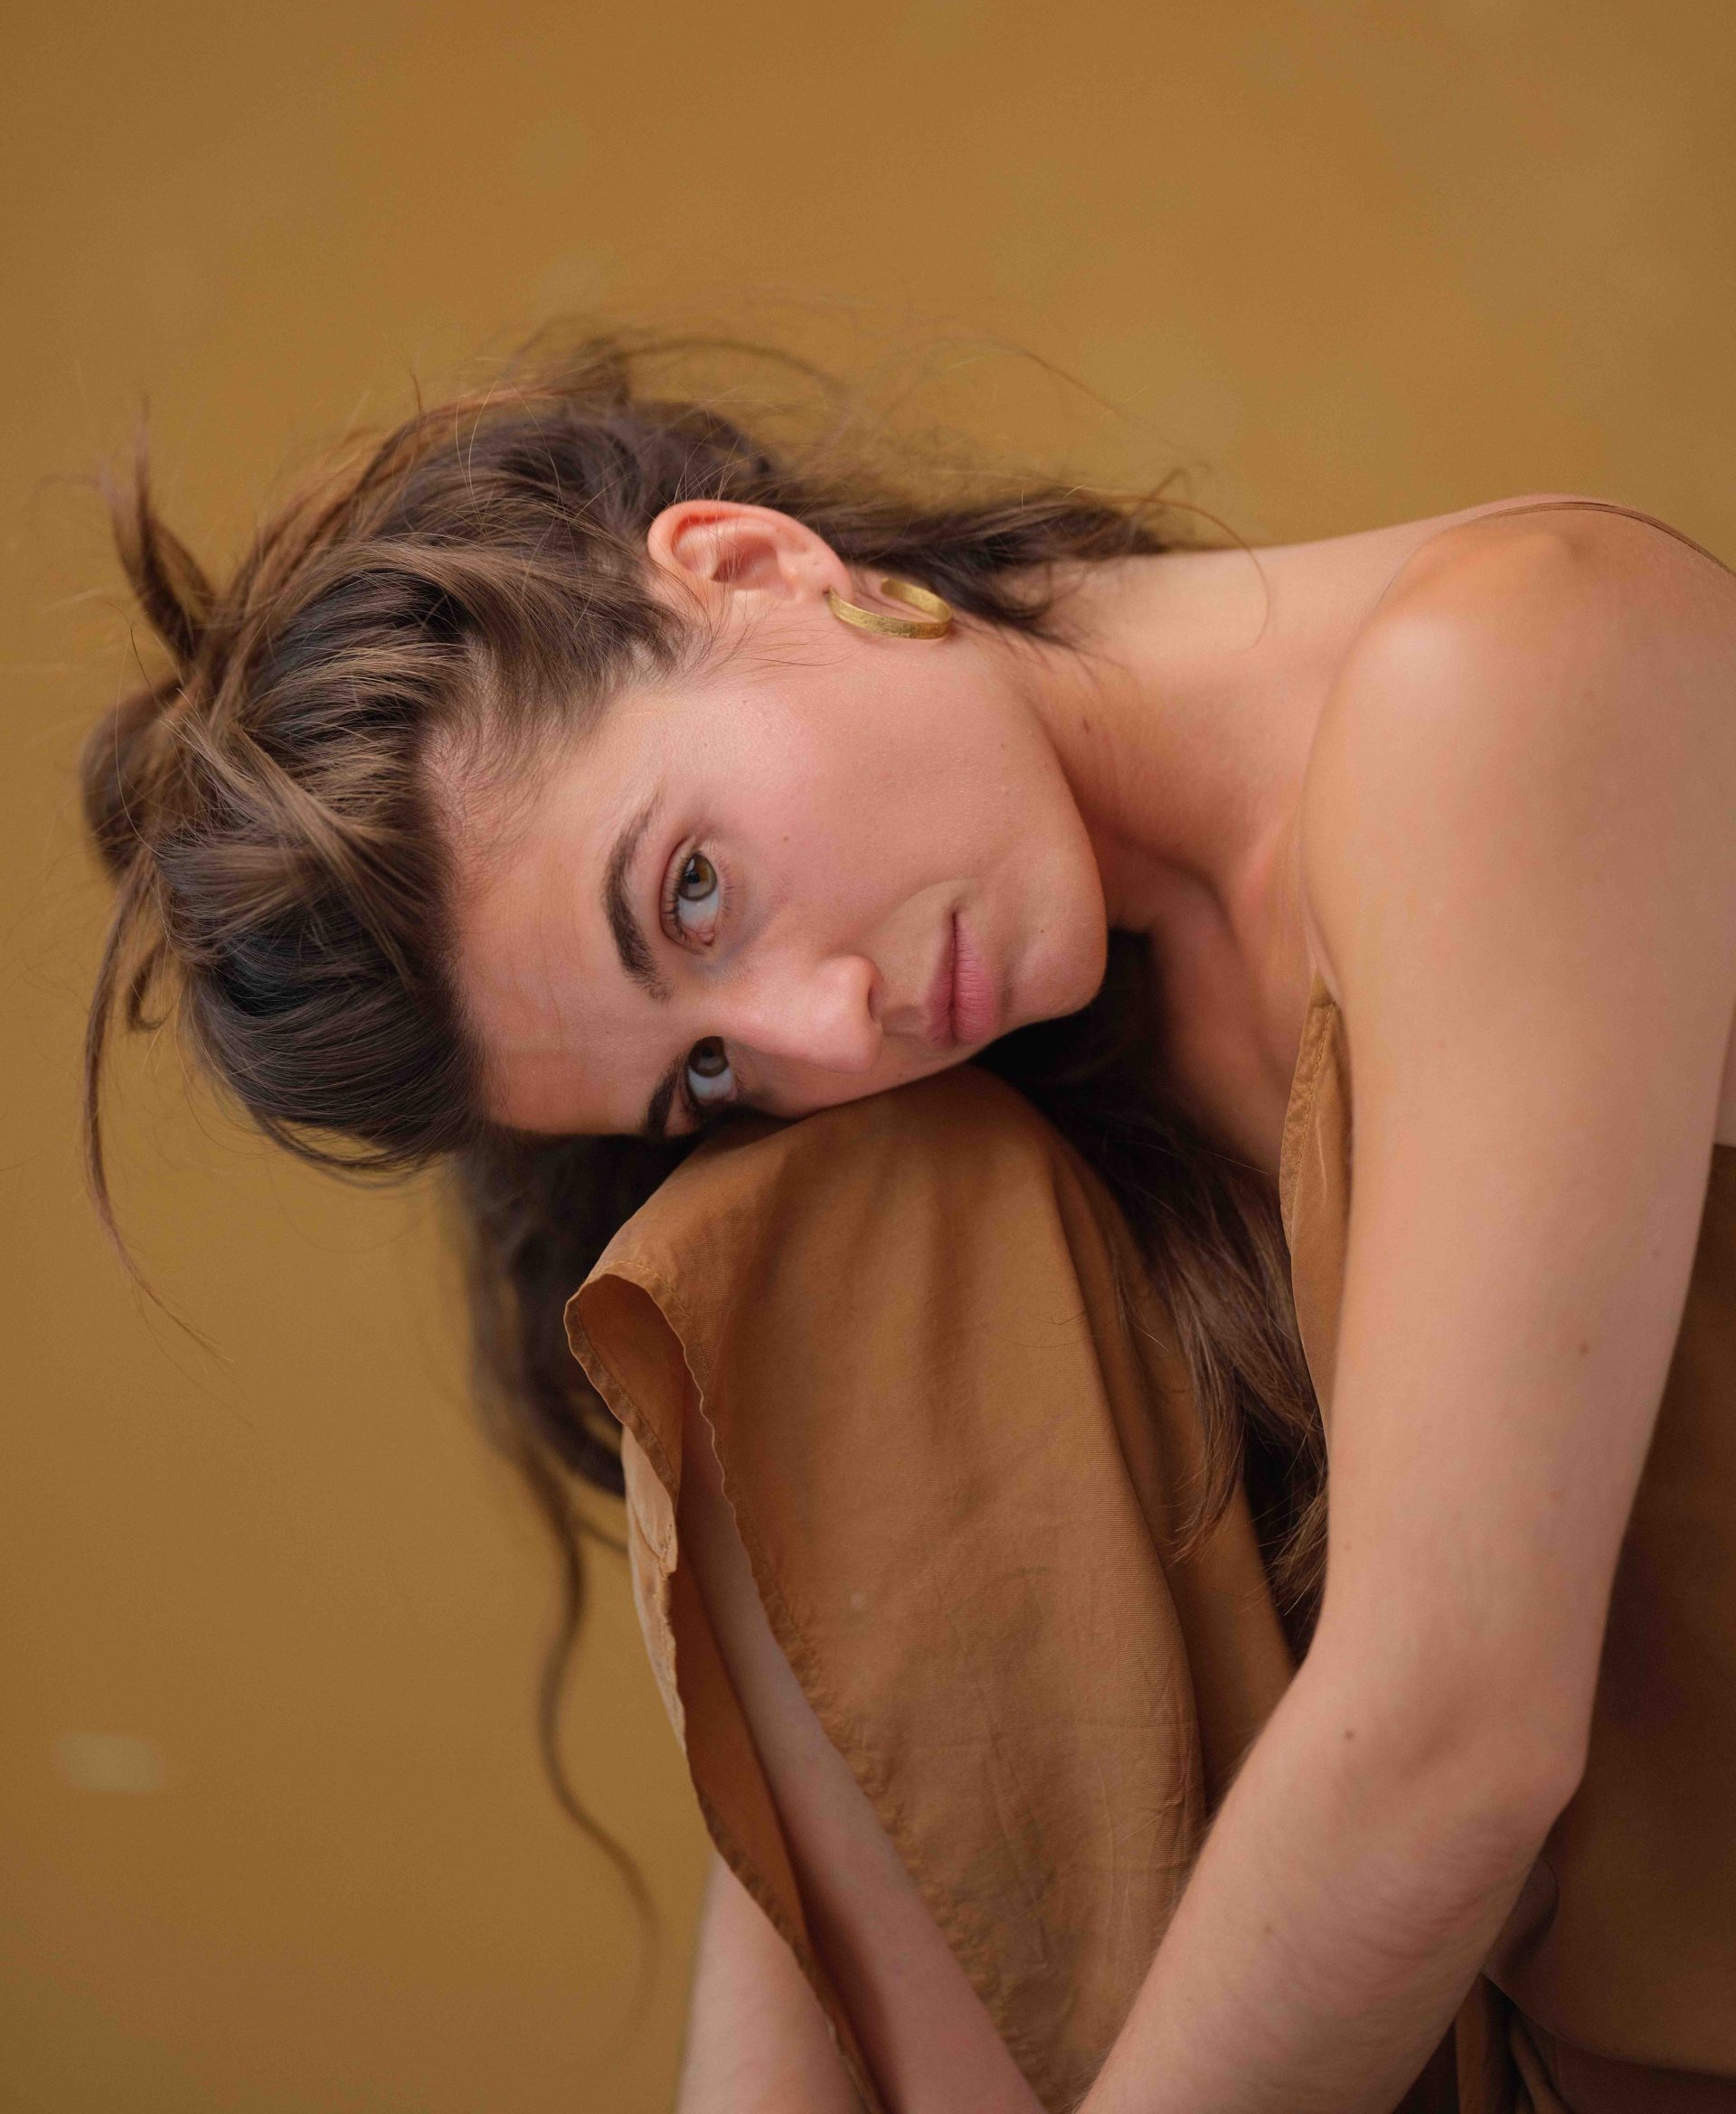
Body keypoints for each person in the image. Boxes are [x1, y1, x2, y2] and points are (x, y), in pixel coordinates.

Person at [81, 336, 1736, 2114]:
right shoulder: (994, 1125)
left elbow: (1455, 1742)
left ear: (748, 564)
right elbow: (847, 1809)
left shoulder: (1513, 670)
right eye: (704, 1071)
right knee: (769, 1251)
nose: (823, 1031)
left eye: (693, 892)